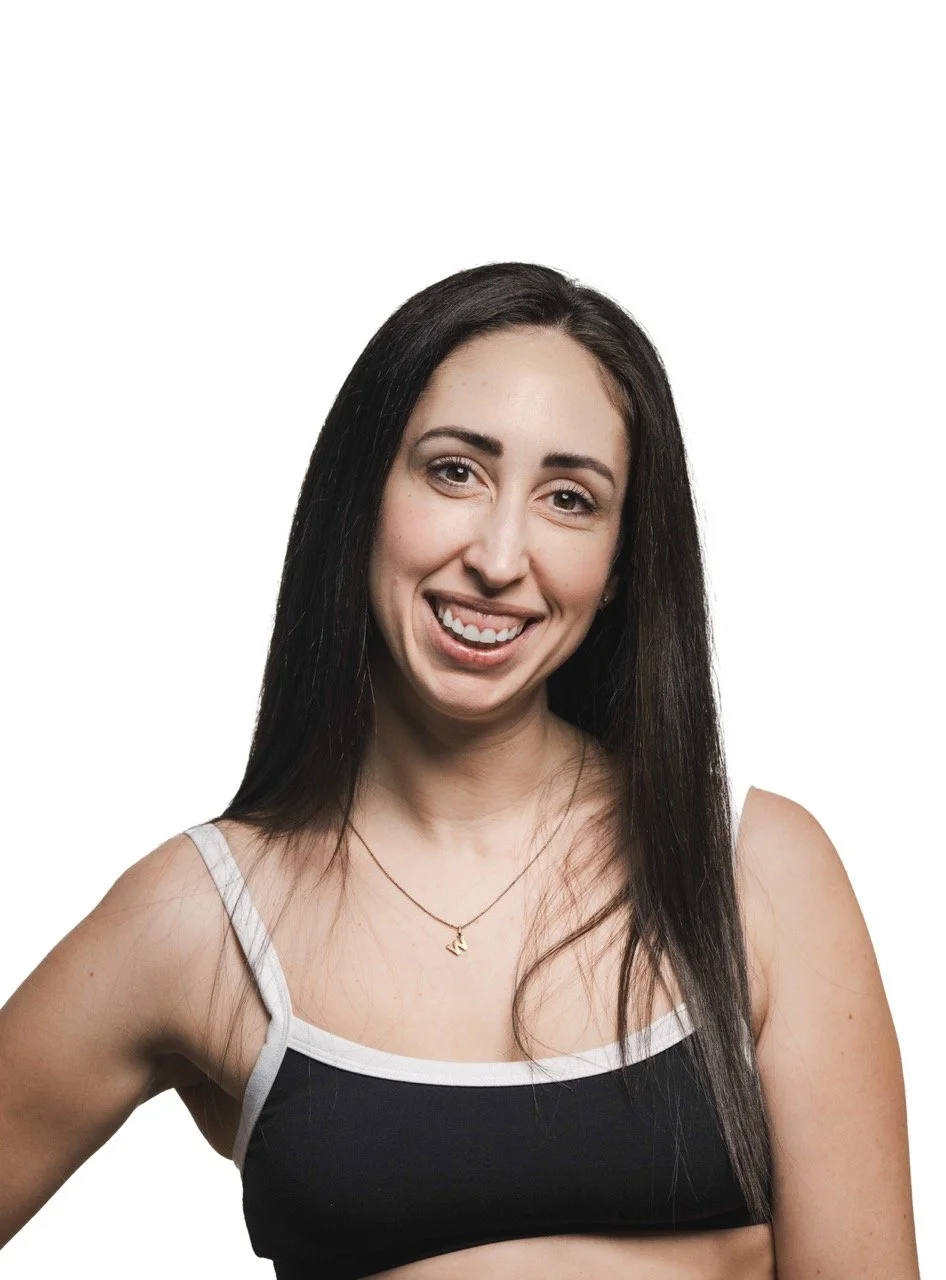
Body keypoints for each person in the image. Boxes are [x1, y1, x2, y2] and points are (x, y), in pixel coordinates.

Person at [0, 262, 919, 1279]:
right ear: (362, 492)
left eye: (570, 497)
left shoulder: (756, 867)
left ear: (619, 563)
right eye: (453, 471)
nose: (497, 553)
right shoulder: (202, 919)